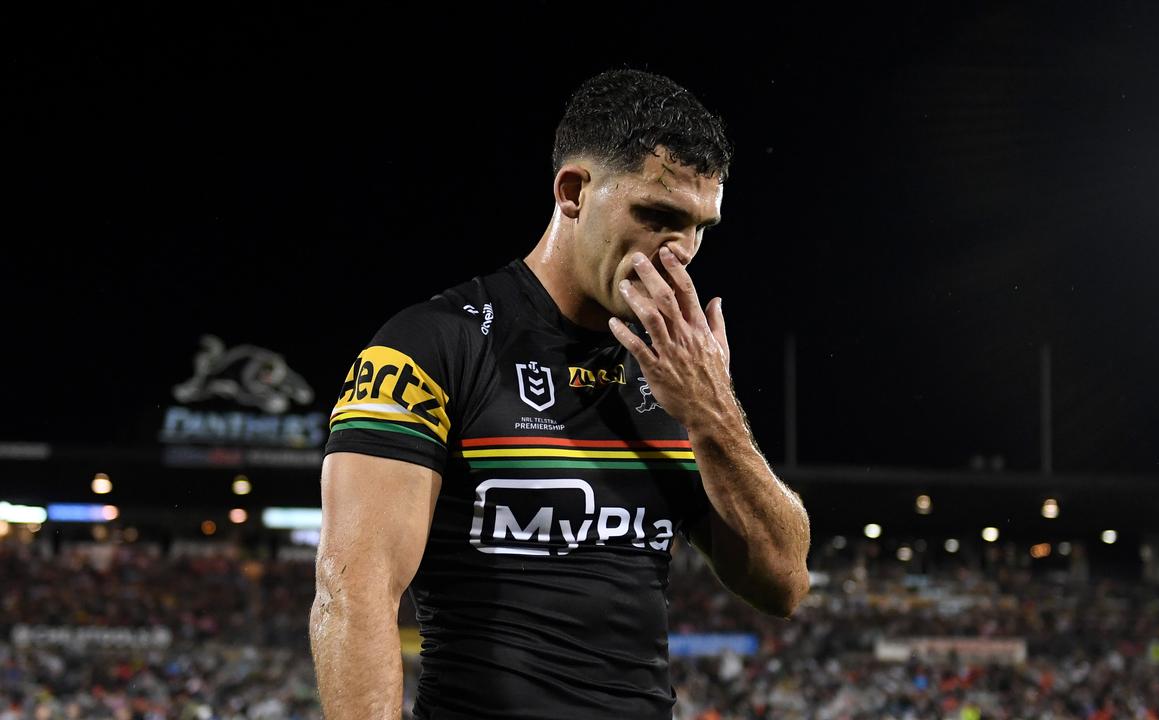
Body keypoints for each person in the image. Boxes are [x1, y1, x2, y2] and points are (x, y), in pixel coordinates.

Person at [309, 68, 811, 720]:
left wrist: (715, 414)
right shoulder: (431, 348)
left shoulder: (682, 377)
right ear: (573, 192)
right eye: (657, 216)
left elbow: (783, 583)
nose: (681, 251)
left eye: (699, 226)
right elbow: (353, 590)